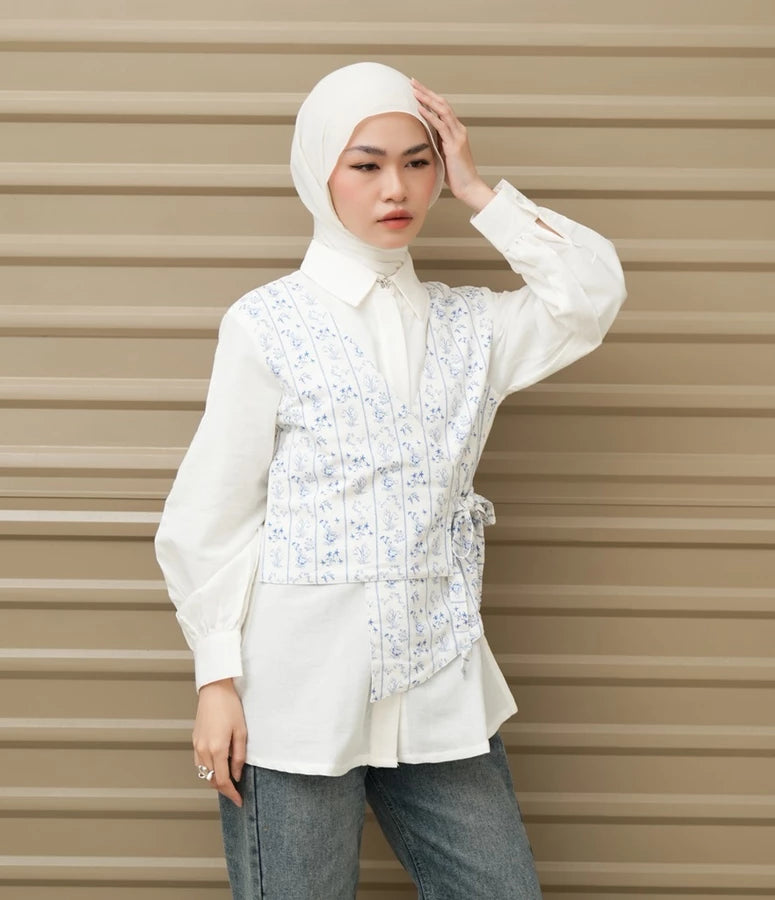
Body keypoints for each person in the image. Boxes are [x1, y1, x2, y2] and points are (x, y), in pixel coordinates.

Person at [155, 62, 626, 900]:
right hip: (292, 698)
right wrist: (216, 681)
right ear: (318, 171)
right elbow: (208, 517)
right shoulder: (265, 324)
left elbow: (591, 295)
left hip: (438, 686)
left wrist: (484, 192)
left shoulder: (471, 324)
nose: (396, 188)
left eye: (419, 161)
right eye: (366, 164)